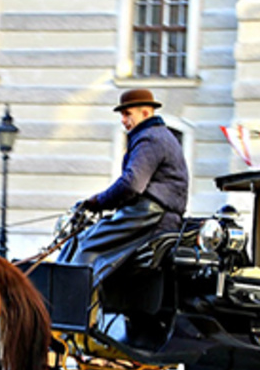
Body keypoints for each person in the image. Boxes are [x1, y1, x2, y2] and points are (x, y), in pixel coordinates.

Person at [68, 88, 189, 284]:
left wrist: (98, 201)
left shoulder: (150, 138)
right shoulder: (159, 136)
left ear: (146, 113)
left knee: (87, 244)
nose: (123, 120)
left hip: (149, 215)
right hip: (152, 214)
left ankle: (72, 304)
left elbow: (131, 185)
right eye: (122, 115)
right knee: (88, 237)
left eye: (127, 114)